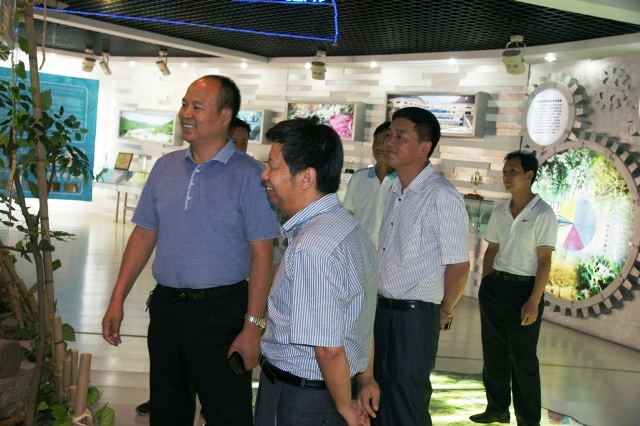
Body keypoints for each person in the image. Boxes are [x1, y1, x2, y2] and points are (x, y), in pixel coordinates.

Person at [102, 75, 278, 426]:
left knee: (228, 414)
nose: (186, 113)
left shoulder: (251, 176)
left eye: (197, 106)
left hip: (222, 314)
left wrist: (252, 327)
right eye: (184, 104)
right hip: (166, 310)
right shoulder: (165, 167)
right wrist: (117, 298)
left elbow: (262, 257)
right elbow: (143, 235)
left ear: (225, 116)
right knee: (167, 412)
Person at [254, 117, 379, 426]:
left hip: (303, 398)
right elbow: (360, 318)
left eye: (273, 166)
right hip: (327, 390)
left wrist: (346, 409)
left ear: (306, 178)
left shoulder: (313, 247)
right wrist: (365, 377)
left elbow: (328, 348)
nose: (264, 175)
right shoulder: (349, 227)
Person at [357, 107, 470, 426]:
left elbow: (459, 265)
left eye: (400, 136)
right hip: (380, 311)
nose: (389, 142)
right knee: (374, 398)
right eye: (389, 134)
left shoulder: (442, 195)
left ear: (425, 147)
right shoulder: (394, 189)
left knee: (406, 402)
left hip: (414, 318)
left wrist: (443, 311)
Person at [470, 151, 557, 426]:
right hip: (496, 287)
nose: (507, 176)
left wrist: (534, 300)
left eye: (513, 171)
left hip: (524, 291)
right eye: (505, 171)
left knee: (523, 359)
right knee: (494, 354)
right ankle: (497, 408)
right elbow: (491, 250)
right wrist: (486, 285)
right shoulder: (500, 211)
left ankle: (528, 419)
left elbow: (545, 260)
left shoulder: (543, 213)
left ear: (529, 175)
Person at [343, 122, 396, 247]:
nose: (378, 146)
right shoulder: (359, 177)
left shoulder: (404, 181)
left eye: (383, 141)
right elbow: (347, 215)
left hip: (390, 253)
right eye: (376, 141)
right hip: (360, 250)